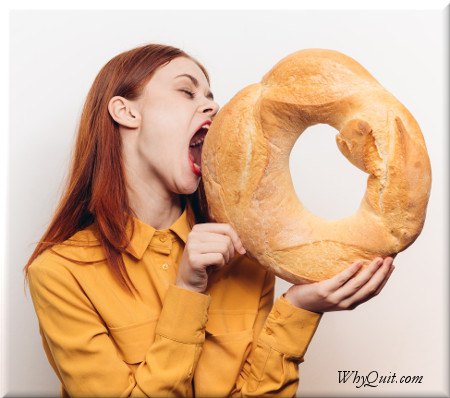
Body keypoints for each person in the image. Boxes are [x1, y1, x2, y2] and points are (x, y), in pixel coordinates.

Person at [25, 43, 394, 397]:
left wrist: (301, 307)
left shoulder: (248, 260)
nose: (213, 106)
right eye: (188, 92)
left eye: (210, 96)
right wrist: (187, 291)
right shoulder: (60, 274)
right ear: (126, 112)